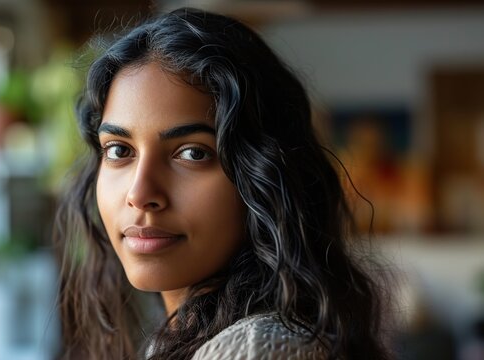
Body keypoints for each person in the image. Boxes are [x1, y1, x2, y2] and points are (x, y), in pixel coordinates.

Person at [54, 7, 388, 360]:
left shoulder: (257, 350)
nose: (140, 194)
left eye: (192, 154)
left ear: (264, 177)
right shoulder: (180, 338)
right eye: (119, 150)